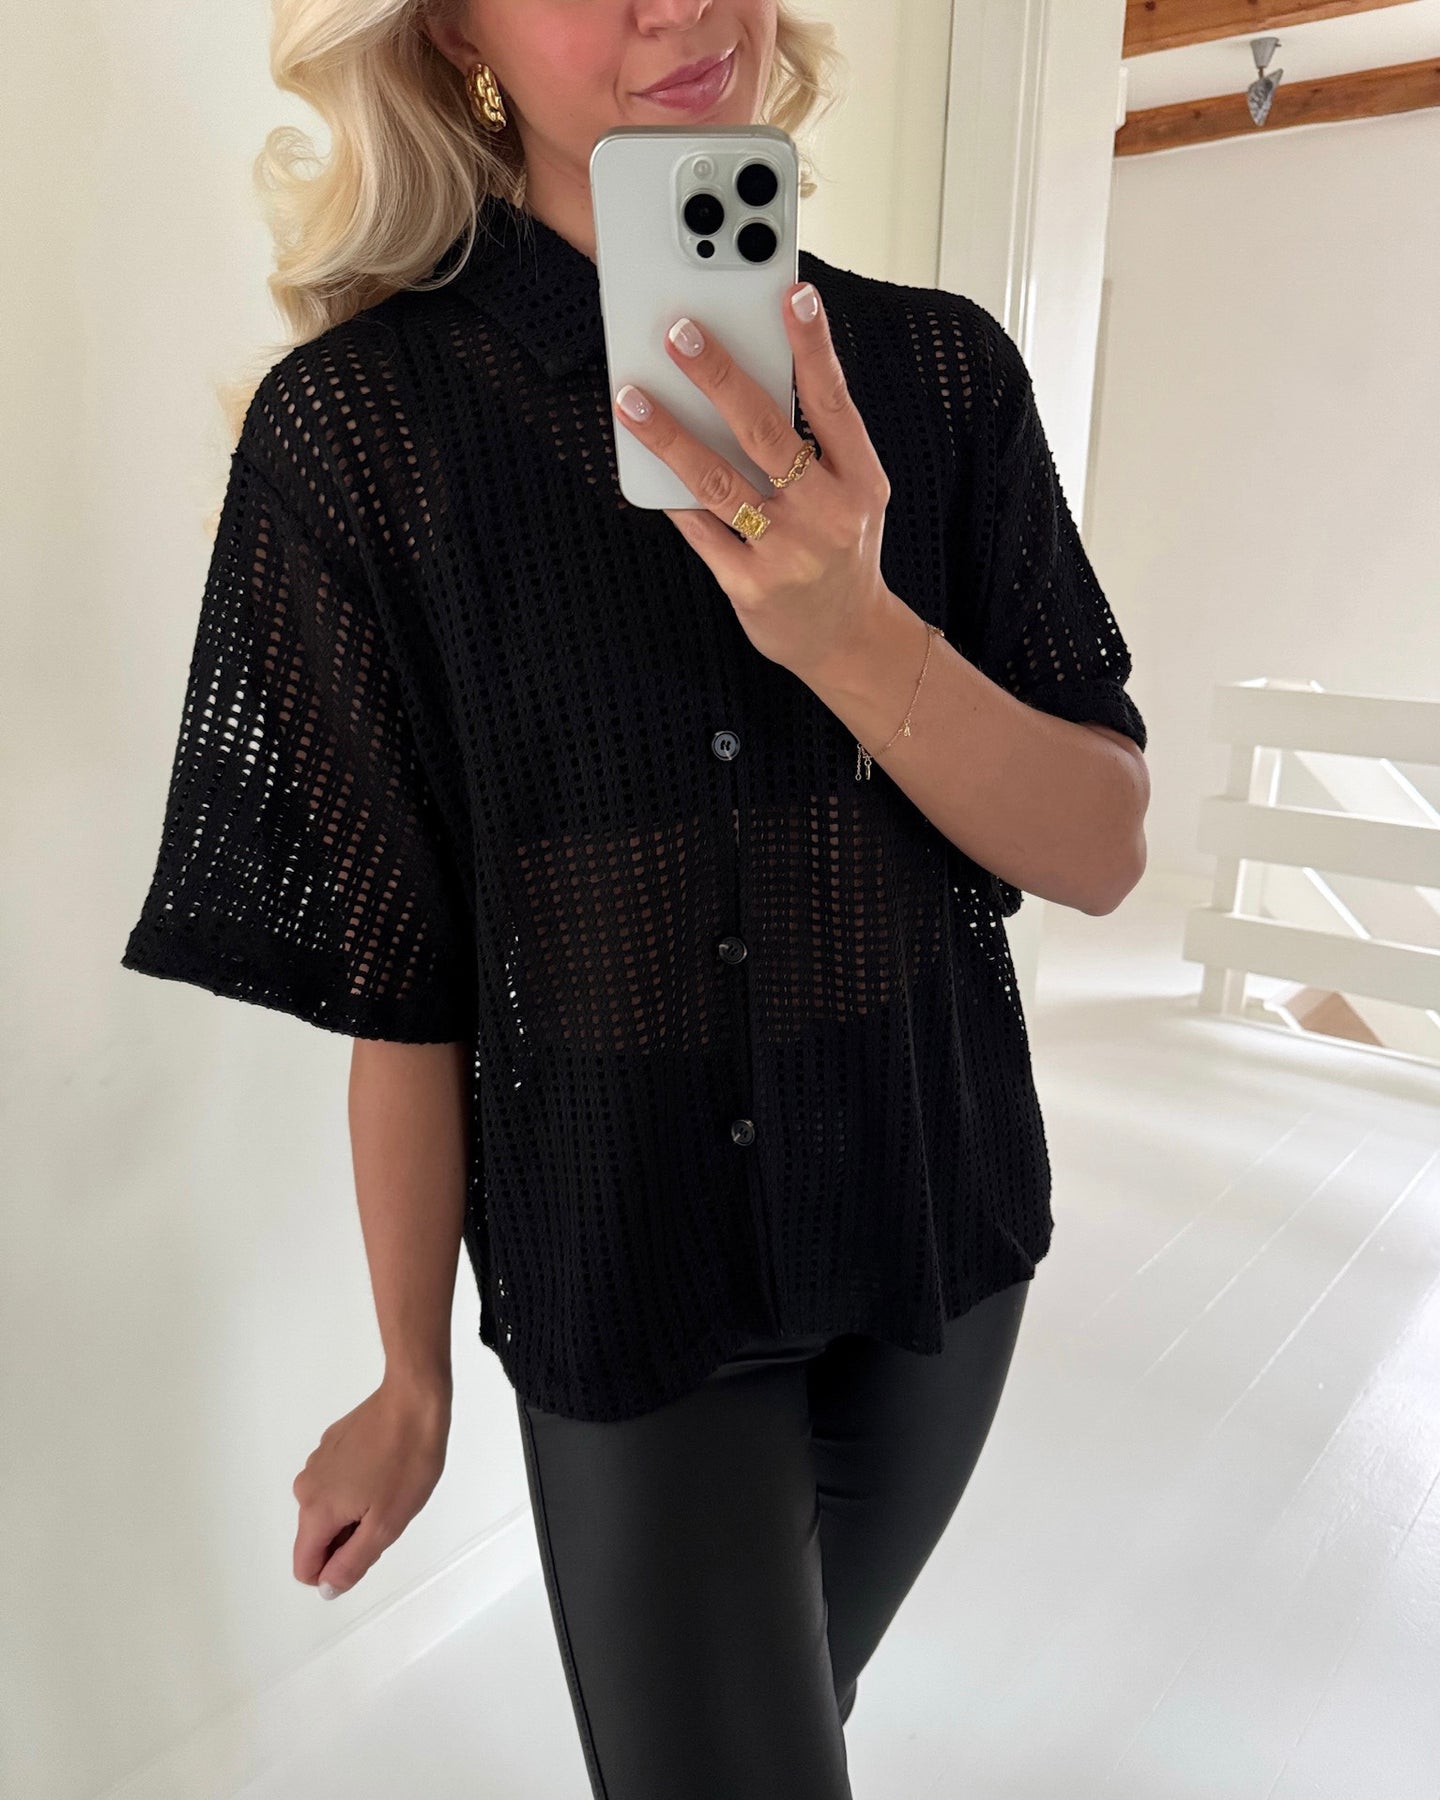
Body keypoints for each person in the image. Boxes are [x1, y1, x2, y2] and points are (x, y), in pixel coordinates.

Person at [120, 3, 1150, 1795]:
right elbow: (412, 979)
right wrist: (412, 1375)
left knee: (777, 1728)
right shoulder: (359, 438)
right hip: (630, 1274)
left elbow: (1101, 845)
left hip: (934, 1232)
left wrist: (853, 633)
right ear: (450, 28)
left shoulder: (945, 375)